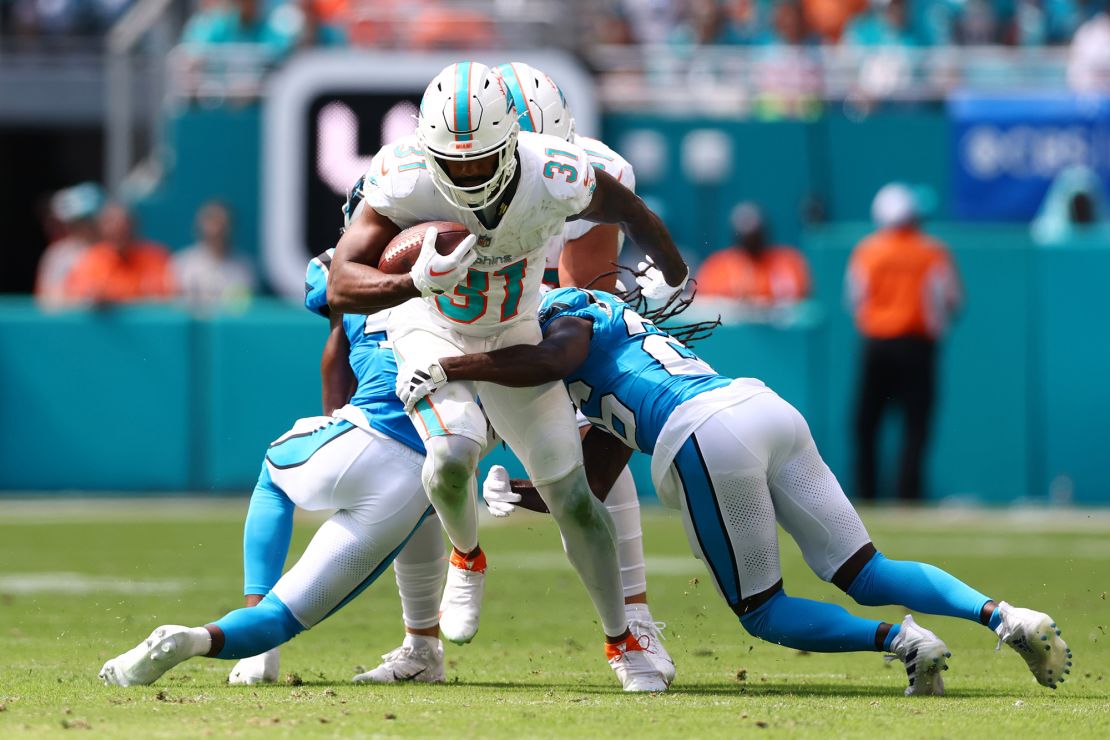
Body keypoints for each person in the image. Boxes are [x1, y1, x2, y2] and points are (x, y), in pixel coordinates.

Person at [396, 285, 1072, 697]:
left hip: (706, 434)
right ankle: (1003, 616)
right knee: (867, 569)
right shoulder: (613, 351)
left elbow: (550, 357)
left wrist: (453, 362)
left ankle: (904, 642)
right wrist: (525, 491)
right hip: (758, 405)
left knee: (762, 611)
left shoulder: (560, 314)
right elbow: (594, 479)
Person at [325, 61, 690, 692]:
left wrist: (673, 271)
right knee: (448, 455)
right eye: (453, 162)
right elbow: (341, 284)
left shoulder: (559, 171)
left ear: (518, 143)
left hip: (519, 328)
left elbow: (630, 213)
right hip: (431, 328)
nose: (468, 175)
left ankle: (624, 639)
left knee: (575, 500)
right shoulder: (404, 174)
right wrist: (411, 282)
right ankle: (467, 557)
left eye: (482, 160)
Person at [100, 251, 437, 687]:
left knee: (274, 476)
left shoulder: (344, 267)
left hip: (366, 437)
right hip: (424, 466)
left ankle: (255, 647)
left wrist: (337, 419)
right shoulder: (476, 268)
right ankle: (202, 639)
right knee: (286, 616)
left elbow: (337, 350)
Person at [846, 184, 961, 504]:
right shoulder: (932, 251)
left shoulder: (867, 251)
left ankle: (865, 494)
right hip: (916, 346)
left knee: (867, 423)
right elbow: (951, 299)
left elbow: (855, 298)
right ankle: (907, 496)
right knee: (915, 425)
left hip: (876, 344)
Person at [694, 202, 810, 305]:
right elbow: (703, 303)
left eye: (755, 237)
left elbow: (799, 298)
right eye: (746, 239)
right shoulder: (717, 267)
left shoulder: (786, 262)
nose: (751, 244)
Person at [62, 203, 175, 305]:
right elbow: (79, 293)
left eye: (123, 227)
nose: (117, 229)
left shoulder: (155, 256)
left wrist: (114, 294)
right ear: (102, 230)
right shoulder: (91, 259)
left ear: (133, 227)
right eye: (110, 225)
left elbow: (161, 294)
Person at [172, 201, 257, 311]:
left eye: (222, 224)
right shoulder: (182, 263)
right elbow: (176, 308)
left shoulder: (245, 267)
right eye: (211, 222)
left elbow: (244, 310)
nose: (216, 230)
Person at [34, 182, 104, 307]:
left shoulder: (114, 251)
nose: (81, 226)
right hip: (66, 323)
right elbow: (48, 302)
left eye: (87, 220)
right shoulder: (57, 254)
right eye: (76, 220)